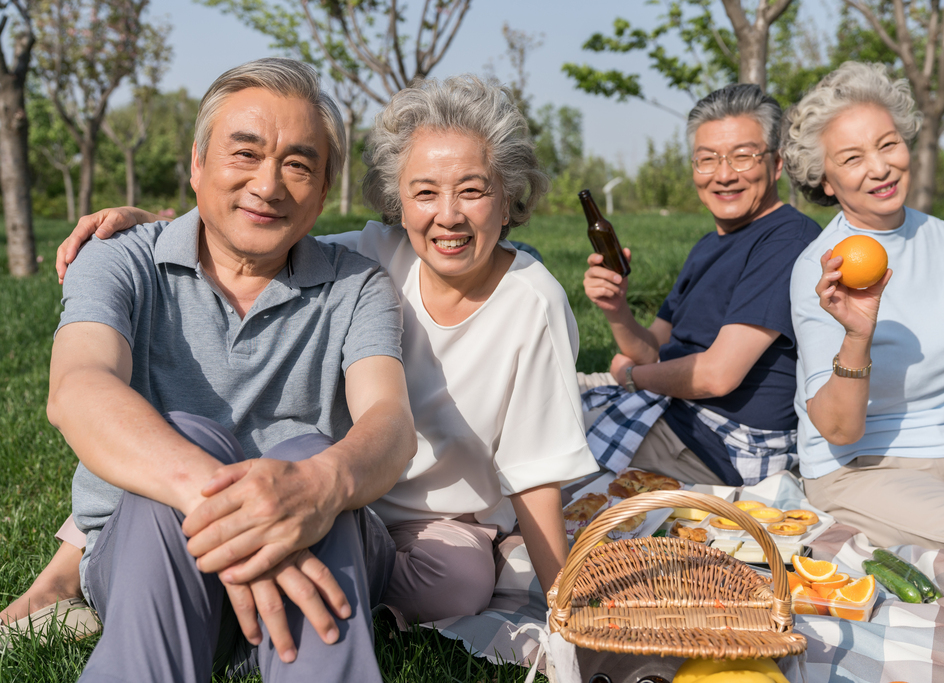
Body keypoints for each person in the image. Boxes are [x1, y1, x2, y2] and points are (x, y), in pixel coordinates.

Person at [3, 75, 597, 630]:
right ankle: (70, 567)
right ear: (397, 198)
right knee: (181, 429)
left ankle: (357, 598)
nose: (447, 215)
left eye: (473, 191)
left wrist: (563, 612)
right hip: (319, 482)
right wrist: (148, 228)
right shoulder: (375, 254)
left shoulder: (526, 302)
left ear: (508, 196)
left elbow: (536, 473)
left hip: (413, 512)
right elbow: (247, 228)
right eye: (424, 192)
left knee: (459, 586)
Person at [8, 57, 419, 682]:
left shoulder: (356, 284)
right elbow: (77, 388)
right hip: (155, 551)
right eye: (245, 154)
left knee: (309, 453)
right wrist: (242, 508)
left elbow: (388, 420)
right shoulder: (121, 260)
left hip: (319, 538)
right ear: (197, 166)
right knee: (178, 445)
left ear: (324, 186)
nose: (269, 185)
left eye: (298, 164)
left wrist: (315, 486)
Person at [785, 61, 944, 562]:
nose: (879, 167)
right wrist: (857, 334)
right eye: (852, 158)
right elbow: (839, 431)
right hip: (861, 471)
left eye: (888, 144)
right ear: (826, 181)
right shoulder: (820, 269)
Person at [579, 84, 821, 487]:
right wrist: (616, 309)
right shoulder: (710, 244)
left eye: (743, 156)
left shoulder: (787, 240)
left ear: (777, 163)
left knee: (544, 455)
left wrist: (631, 378)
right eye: (707, 159)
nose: (724, 175)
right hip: (681, 411)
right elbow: (651, 348)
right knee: (534, 409)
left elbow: (717, 375)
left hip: (725, 442)